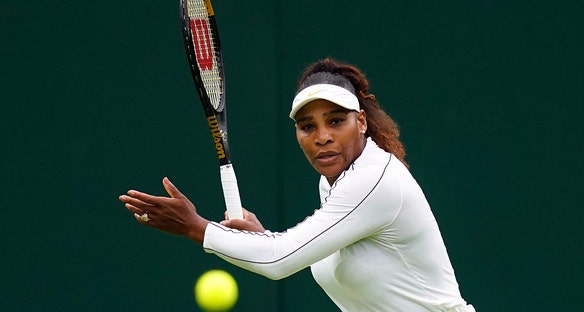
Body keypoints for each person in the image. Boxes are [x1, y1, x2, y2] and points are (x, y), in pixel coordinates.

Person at [120, 58, 475, 311]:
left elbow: (280, 260)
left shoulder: (373, 181)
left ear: (362, 123)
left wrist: (196, 227)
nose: (322, 137)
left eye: (336, 121)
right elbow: (300, 249)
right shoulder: (333, 182)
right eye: (308, 126)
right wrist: (262, 237)